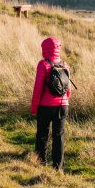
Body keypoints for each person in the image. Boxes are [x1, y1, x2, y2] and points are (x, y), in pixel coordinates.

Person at [30, 37, 71, 170]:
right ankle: (58, 166)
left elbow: (38, 89)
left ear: (44, 49)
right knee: (58, 136)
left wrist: (34, 108)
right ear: (58, 49)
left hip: (46, 106)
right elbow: (68, 89)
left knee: (42, 133)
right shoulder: (64, 65)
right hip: (63, 105)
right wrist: (65, 102)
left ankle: (40, 162)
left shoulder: (43, 65)